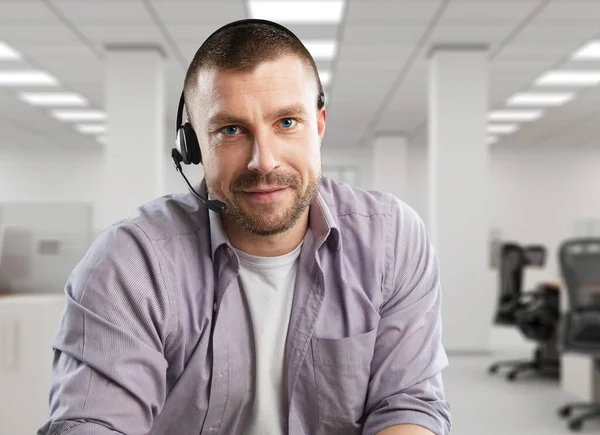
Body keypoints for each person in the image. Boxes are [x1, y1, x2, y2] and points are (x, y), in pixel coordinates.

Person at [38, 19, 451, 435]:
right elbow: (91, 424)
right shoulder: (131, 262)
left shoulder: (391, 239)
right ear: (194, 146)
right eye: (231, 130)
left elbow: (406, 404)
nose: (264, 161)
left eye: (287, 122)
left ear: (319, 126)